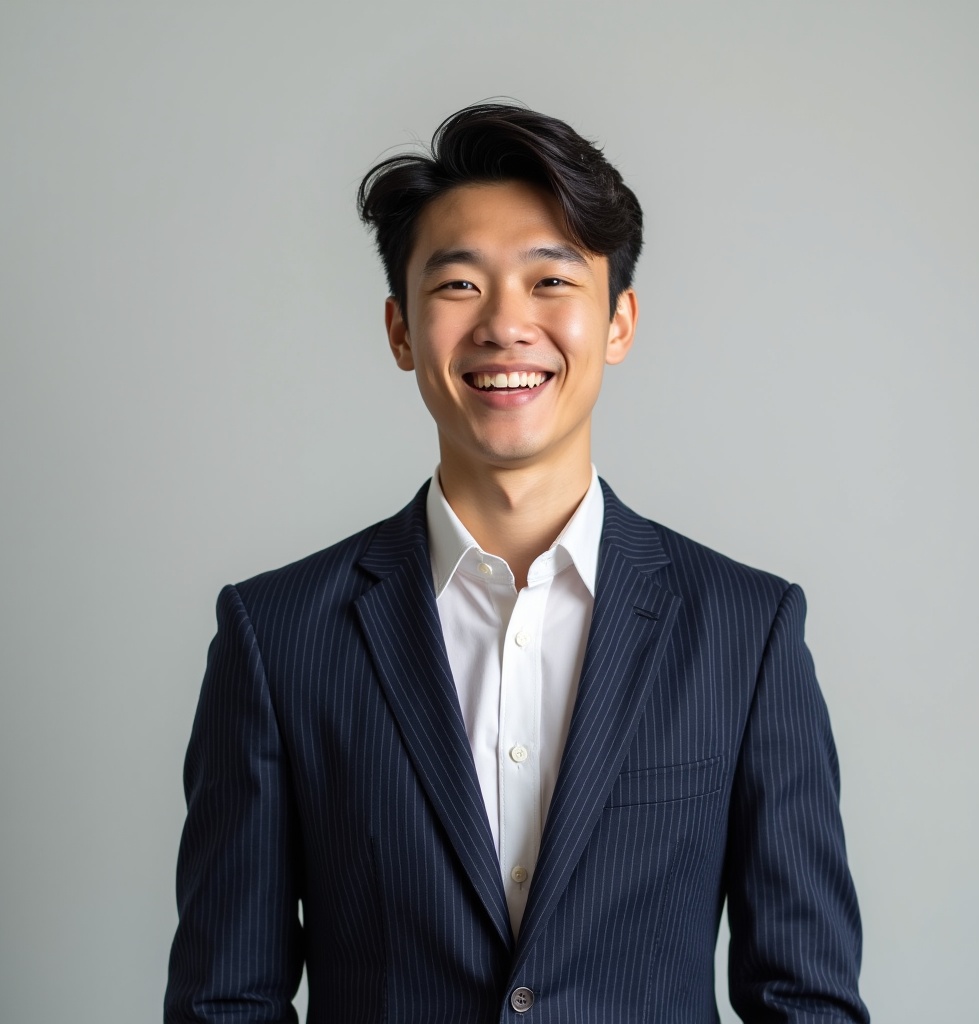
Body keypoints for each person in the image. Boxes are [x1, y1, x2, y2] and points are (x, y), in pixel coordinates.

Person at [166, 103, 869, 1023]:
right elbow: (225, 1001)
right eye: (460, 284)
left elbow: (807, 1000)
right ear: (400, 330)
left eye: (551, 281)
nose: (506, 324)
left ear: (618, 323)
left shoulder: (746, 630)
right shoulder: (279, 634)